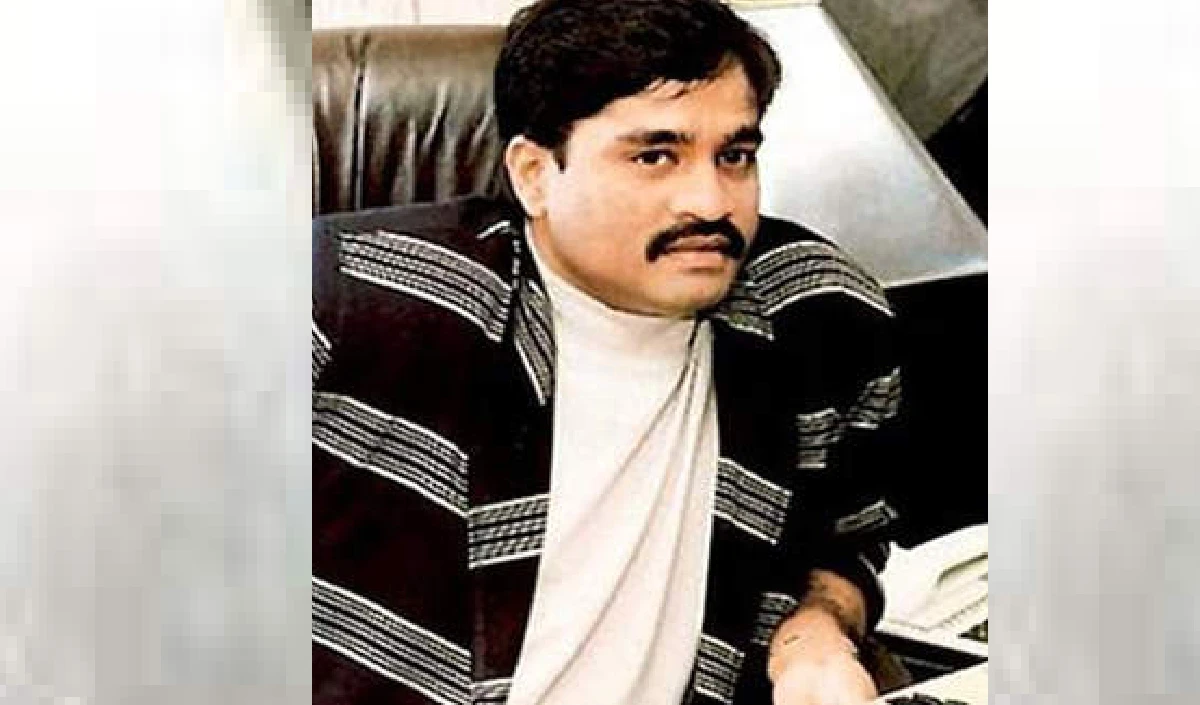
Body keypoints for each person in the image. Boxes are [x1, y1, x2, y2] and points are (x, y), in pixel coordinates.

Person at [312, 1, 903, 703]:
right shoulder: (354, 302)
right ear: (534, 174)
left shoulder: (817, 316)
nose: (710, 202)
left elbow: (844, 544)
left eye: (735, 156)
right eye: (655, 156)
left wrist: (817, 634)